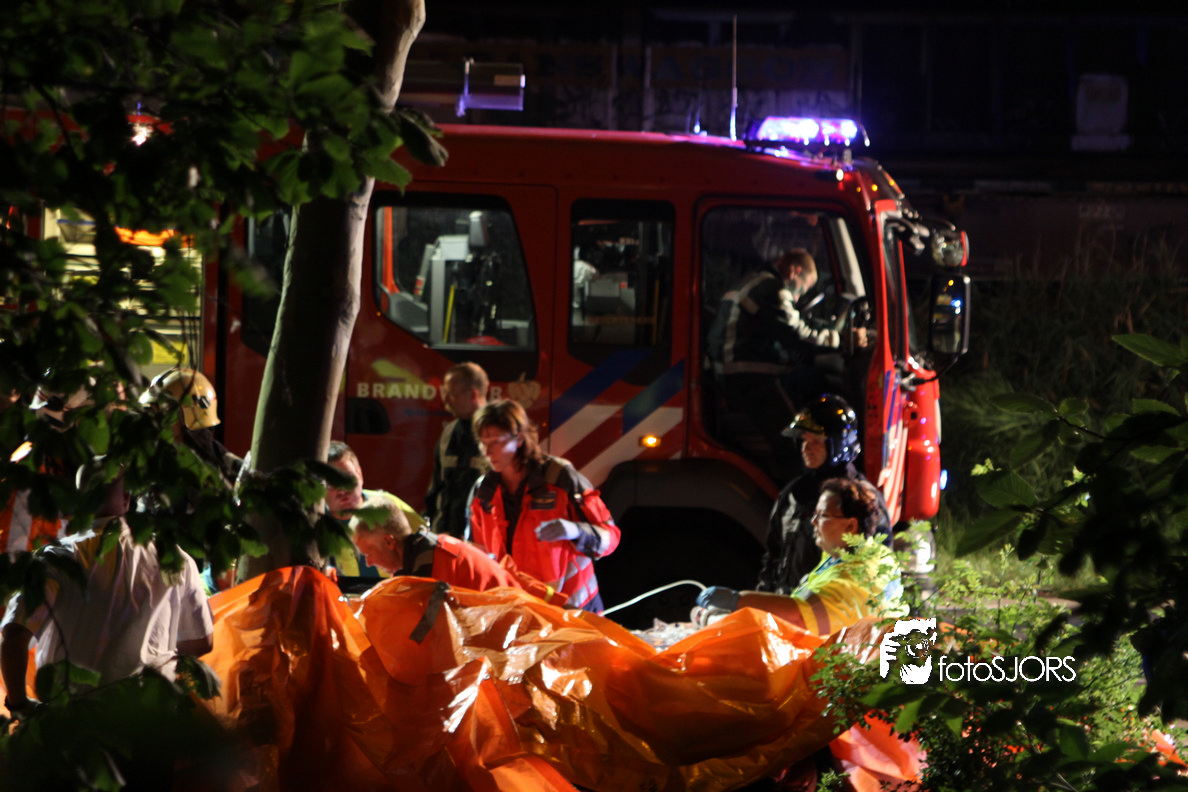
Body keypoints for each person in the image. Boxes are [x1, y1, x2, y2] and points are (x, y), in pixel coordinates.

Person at [1, 466, 214, 710]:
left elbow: (14, 637)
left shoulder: (55, 559)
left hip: (72, 720)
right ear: (126, 499)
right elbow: (202, 642)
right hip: (150, 717)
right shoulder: (174, 558)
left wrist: (19, 705)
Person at [706, 249, 865, 474]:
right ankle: (799, 485)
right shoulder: (773, 289)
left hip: (736, 368)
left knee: (814, 380)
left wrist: (826, 331)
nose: (798, 298)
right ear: (795, 271)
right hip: (749, 377)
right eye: (802, 289)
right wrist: (843, 339)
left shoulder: (756, 282)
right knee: (795, 438)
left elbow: (791, 325)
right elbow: (797, 335)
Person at [695, 477, 904, 636]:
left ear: (850, 525)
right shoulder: (861, 553)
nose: (813, 522)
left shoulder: (857, 576)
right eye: (815, 514)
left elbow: (800, 618)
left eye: (823, 515)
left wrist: (735, 600)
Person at [467, 400, 620, 613]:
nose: (487, 451)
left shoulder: (560, 478)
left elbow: (610, 537)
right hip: (519, 611)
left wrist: (575, 531)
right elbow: (478, 556)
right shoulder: (483, 492)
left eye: (496, 441)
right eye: (482, 442)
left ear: (519, 438)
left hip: (573, 610)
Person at [756, 394, 890, 594]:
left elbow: (879, 565)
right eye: (803, 441)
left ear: (839, 444)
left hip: (830, 606)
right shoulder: (793, 494)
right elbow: (774, 555)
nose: (806, 448)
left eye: (816, 441)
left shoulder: (860, 498)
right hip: (788, 606)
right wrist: (764, 596)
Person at [353, 492, 526, 592]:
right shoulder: (422, 554)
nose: (368, 563)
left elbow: (427, 630)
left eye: (368, 554)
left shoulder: (433, 564)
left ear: (389, 542)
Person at [326, 440, 423, 578]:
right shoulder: (315, 520)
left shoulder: (387, 506)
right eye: (331, 482)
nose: (342, 489)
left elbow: (427, 544)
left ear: (360, 474)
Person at [424, 362, 491, 538]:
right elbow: (436, 488)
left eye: (452, 394)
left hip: (480, 540)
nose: (446, 400)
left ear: (473, 395)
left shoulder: (496, 434)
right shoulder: (449, 433)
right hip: (445, 536)